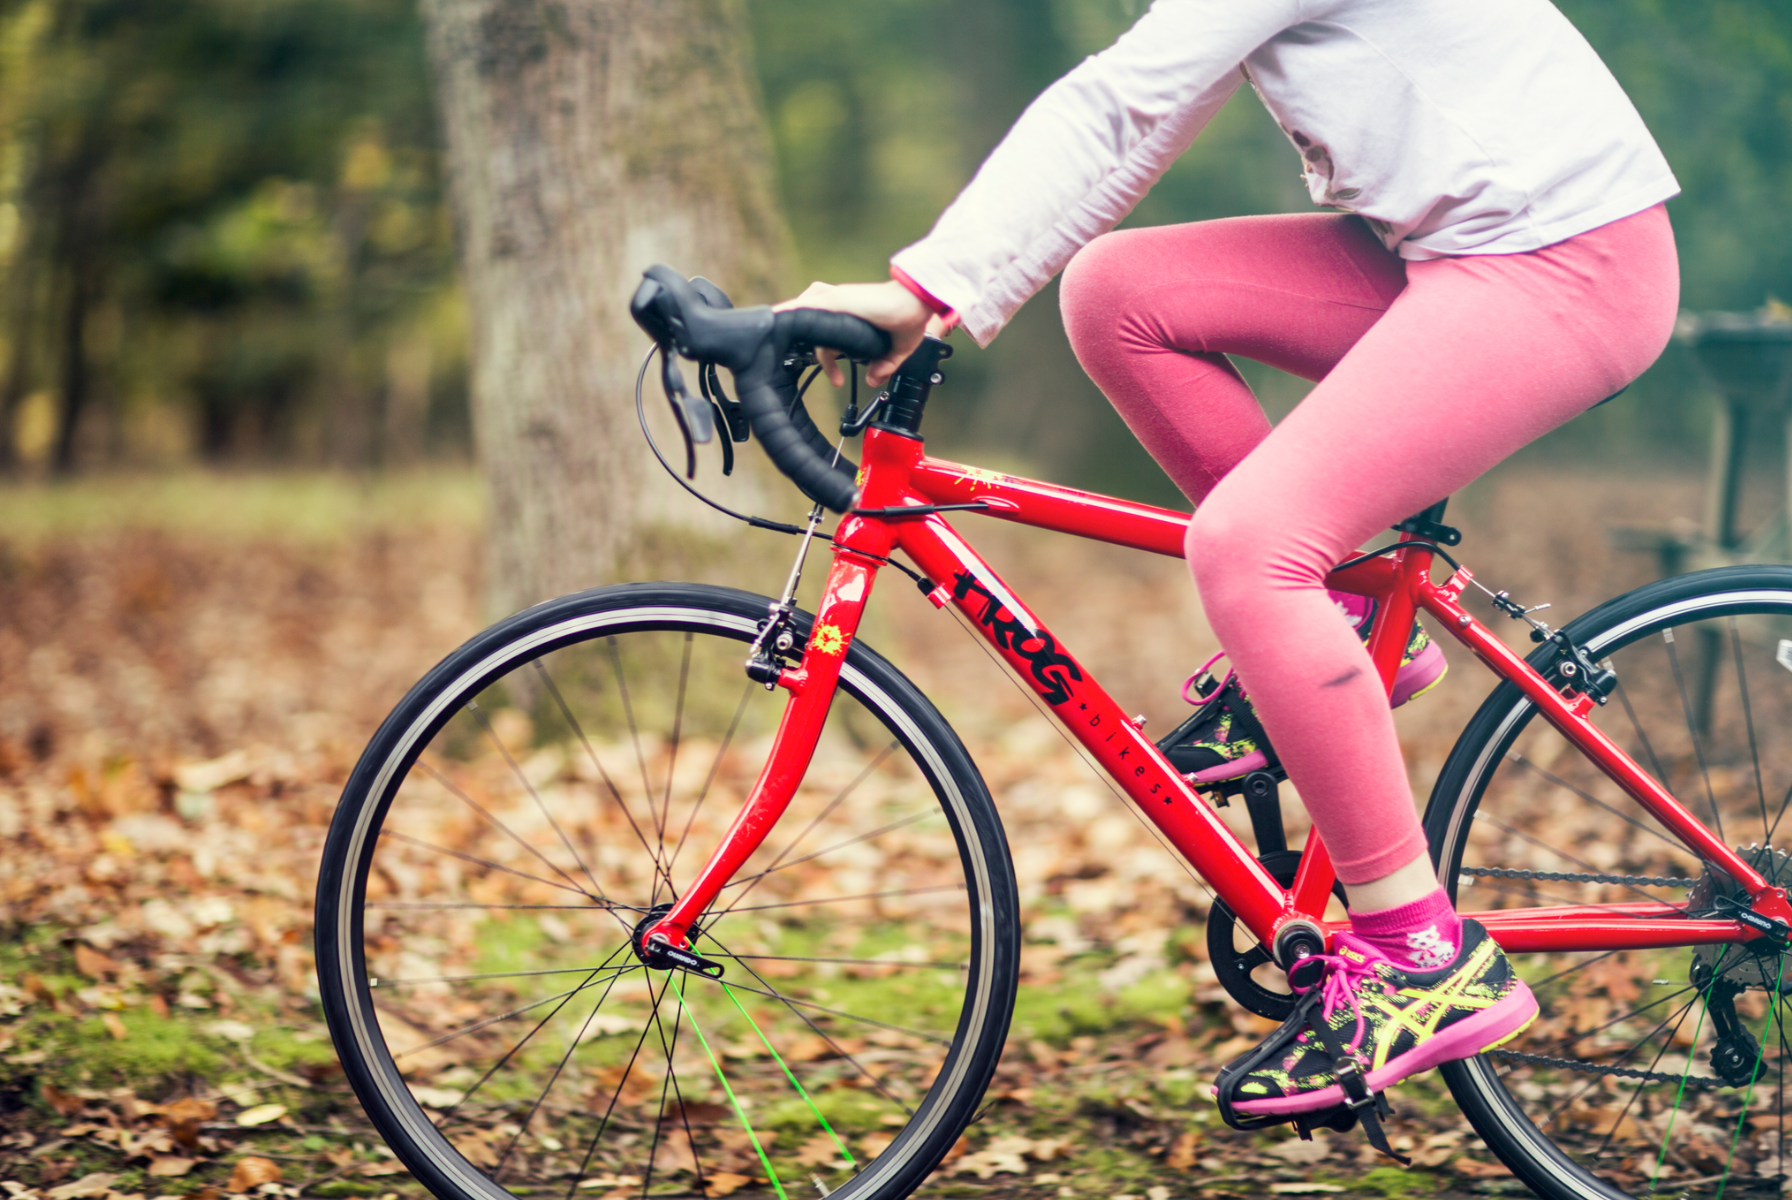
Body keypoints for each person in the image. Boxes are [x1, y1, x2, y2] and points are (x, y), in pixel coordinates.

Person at [779, 0, 1680, 1119]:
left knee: (1251, 550)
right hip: (1449, 253)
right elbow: (1137, 103)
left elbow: (1128, 101)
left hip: (1562, 266)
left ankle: (1415, 958)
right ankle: (1335, 638)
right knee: (1118, 293)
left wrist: (919, 295)